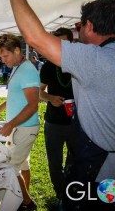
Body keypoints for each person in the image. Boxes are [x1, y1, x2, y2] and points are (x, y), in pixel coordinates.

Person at [6, 0, 115, 210]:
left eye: (79, 27)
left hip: (95, 169)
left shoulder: (95, 59)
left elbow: (35, 38)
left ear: (89, 26)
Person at [0, 34, 40, 211]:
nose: (3, 60)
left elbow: (33, 105)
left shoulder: (27, 70)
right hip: (19, 128)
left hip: (24, 128)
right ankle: (22, 199)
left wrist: (11, 124)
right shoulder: (17, 66)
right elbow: (15, 95)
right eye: (1, 57)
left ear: (17, 51)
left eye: (5, 56)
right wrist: (0, 108)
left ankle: (26, 202)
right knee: (21, 165)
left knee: (10, 169)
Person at [39, 28, 75, 199]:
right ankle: (61, 194)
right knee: (55, 162)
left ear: (71, 42)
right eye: (56, 42)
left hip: (78, 122)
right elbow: (39, 92)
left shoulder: (78, 63)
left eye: (63, 42)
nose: (60, 46)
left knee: (75, 161)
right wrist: (51, 98)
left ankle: (72, 191)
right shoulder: (47, 66)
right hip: (54, 122)